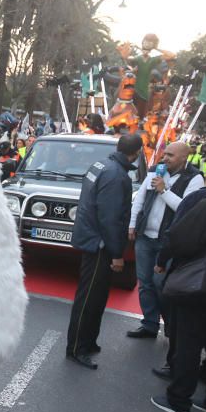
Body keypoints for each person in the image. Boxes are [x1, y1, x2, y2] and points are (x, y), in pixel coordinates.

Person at [149, 160, 206, 412]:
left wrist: (164, 261)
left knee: (188, 343)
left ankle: (179, 400)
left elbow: (179, 238)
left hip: (201, 285)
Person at [65, 133, 142, 369]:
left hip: (94, 239)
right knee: (89, 298)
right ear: (137, 152)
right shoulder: (117, 175)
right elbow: (110, 218)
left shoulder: (102, 165)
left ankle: (88, 341)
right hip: (100, 244)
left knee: (97, 297)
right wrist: (117, 253)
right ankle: (77, 347)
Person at [126, 141, 204, 339]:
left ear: (184, 158)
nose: (165, 158)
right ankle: (150, 325)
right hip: (145, 237)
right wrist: (132, 224)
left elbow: (187, 209)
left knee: (162, 284)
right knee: (144, 283)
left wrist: (164, 190)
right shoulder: (155, 171)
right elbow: (140, 199)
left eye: (171, 155)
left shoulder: (194, 178)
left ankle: (171, 326)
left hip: (169, 242)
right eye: (165, 154)